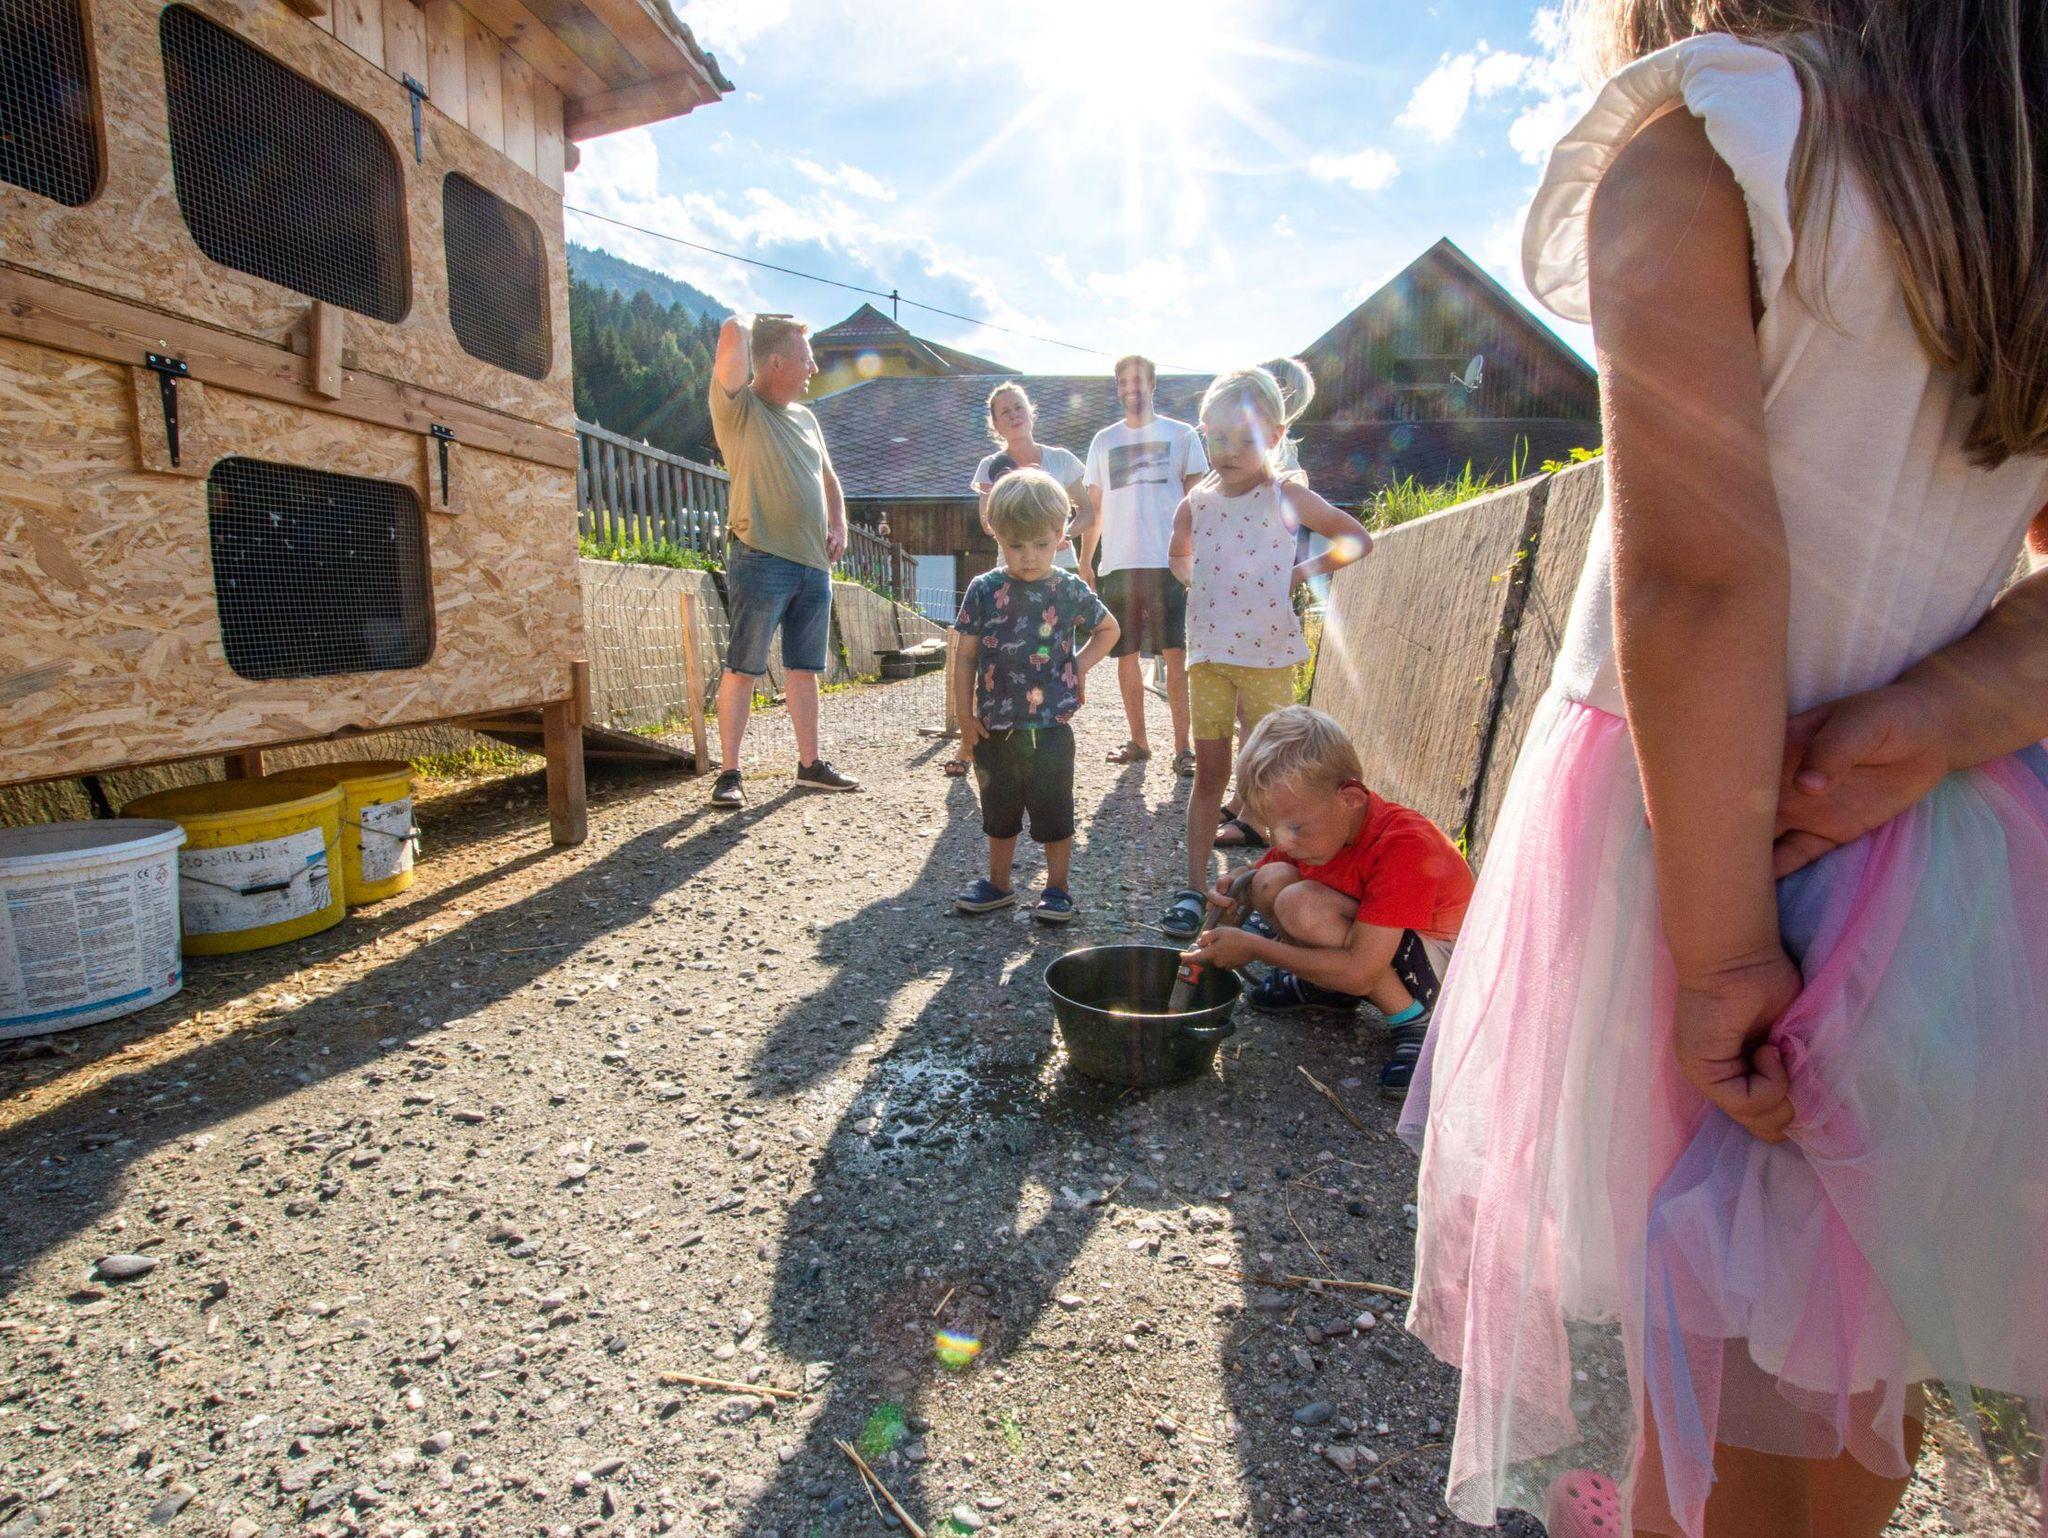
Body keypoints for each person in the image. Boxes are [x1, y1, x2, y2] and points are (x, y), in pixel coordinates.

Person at [1398, 8, 2048, 1538]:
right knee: (1847, 1318)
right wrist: (1948, 709)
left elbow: (1698, 585)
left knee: (1712, 1320)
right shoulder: (2015, 203)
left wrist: (1725, 956)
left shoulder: (1713, 142)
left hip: (1697, 840)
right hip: (1946, 850)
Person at [1154, 361, 1371, 941]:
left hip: (1269, 657)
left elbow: (1357, 539)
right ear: (1204, 432)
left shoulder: (1287, 494)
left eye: (1245, 440)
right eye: (1218, 437)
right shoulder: (1196, 503)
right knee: (1210, 775)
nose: (1228, 451)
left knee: (1276, 778)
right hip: (1208, 657)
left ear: (1275, 436)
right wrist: (1198, 584)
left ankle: (1275, 891)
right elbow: (1177, 554)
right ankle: (1193, 887)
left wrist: (1299, 573)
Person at [1183, 706, 1472, 1094]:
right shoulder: (1325, 825)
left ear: (1350, 798)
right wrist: (1238, 884)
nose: (1283, 841)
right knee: (1269, 881)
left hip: (1443, 974)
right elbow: (1264, 875)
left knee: (1303, 905)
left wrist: (1255, 947)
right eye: (1272, 828)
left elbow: (1361, 970)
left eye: (1294, 827)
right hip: (1384, 951)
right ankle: (1326, 988)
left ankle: (1414, 1022)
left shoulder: (1405, 845)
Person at [705, 313, 861, 808]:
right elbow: (731, 332)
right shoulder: (739, 407)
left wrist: (838, 525)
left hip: (814, 563)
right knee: (743, 666)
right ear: (774, 361)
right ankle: (729, 773)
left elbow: (830, 479)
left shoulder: (807, 419)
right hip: (761, 556)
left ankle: (809, 765)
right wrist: (764, 321)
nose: (813, 367)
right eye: (805, 357)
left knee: (804, 668)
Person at [950, 469, 1119, 923]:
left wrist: (1077, 666)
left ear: (1061, 535)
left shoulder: (1069, 589)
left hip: (1050, 728)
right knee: (998, 810)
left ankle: (1057, 888)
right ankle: (999, 884)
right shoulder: (984, 589)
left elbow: (1109, 630)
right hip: (994, 727)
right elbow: (965, 656)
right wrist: (964, 717)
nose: (1028, 557)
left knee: (1054, 811)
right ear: (996, 534)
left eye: (1041, 544)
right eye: (1016, 545)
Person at [945, 385, 1090, 778]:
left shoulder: (1062, 459)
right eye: (1004, 411)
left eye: (1018, 407)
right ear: (994, 423)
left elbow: (1088, 511)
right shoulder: (991, 465)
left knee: (1053, 650)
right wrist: (1021, 521)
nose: (1013, 414)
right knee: (1000, 653)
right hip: (1009, 571)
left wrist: (1057, 536)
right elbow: (987, 520)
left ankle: (1047, 728)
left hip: (1058, 566)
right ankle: (973, 738)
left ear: (1031, 411)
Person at [1074, 355, 1208, 772]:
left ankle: (1183, 748)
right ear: (1117, 388)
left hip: (1170, 561)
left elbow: (1199, 504)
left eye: (1137, 381)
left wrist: (1199, 559)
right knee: (1125, 653)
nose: (1130, 388)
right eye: (1122, 382)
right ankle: (1139, 741)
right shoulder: (1103, 441)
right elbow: (1095, 509)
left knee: (1175, 653)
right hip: (1118, 563)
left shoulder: (1182, 435)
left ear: (1152, 385)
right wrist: (1086, 562)